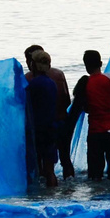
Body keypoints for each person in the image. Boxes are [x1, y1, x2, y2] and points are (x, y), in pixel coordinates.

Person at [71, 50, 110, 181]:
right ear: (101, 63)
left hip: (96, 132)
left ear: (85, 66)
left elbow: (85, 108)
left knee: (95, 173)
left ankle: (97, 195)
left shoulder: (84, 84)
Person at [25, 44, 75, 178]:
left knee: (41, 162)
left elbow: (26, 106)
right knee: (65, 159)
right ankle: (69, 190)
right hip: (62, 121)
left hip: (42, 127)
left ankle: (45, 192)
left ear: (31, 61)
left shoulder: (29, 79)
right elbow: (66, 100)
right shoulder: (58, 74)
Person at [25, 51, 61, 187]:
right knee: (49, 168)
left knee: (39, 167)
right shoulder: (51, 83)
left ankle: (42, 196)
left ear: (34, 65)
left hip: (39, 129)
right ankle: (51, 194)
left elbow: (27, 105)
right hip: (51, 127)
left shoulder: (34, 84)